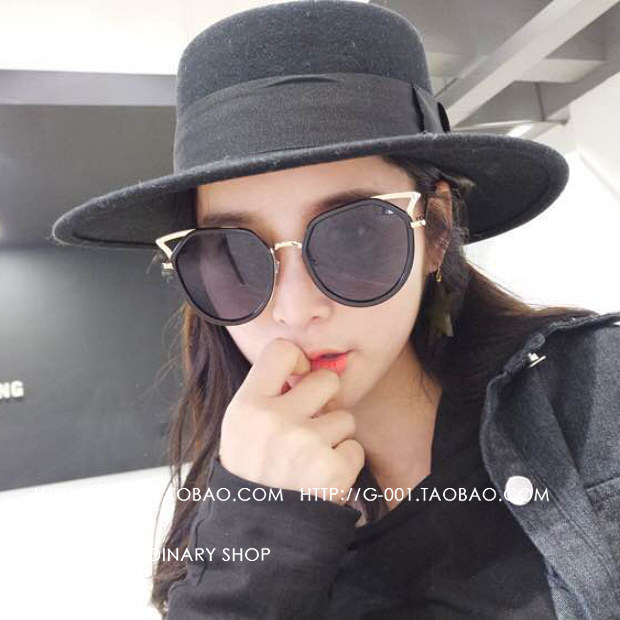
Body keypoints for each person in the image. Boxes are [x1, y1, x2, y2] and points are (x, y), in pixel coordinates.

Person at [50, 2, 620, 618]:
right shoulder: (221, 518)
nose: (295, 309)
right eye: (233, 253)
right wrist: (257, 538)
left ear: (435, 229)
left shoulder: (594, 393)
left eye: (356, 235)